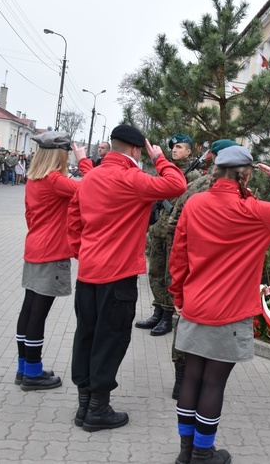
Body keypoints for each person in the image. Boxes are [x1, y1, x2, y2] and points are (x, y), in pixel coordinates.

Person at [169, 145, 270, 464]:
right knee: (213, 383)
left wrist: (178, 297)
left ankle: (184, 453)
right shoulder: (256, 212)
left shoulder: (195, 204)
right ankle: (203, 453)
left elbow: (178, 255)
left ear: (217, 171)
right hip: (230, 315)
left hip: (194, 306)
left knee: (192, 377)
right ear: (245, 176)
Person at [67, 124, 187, 432]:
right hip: (117, 276)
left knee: (87, 335)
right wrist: (160, 157)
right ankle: (98, 410)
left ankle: (84, 405)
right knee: (111, 338)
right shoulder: (133, 178)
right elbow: (176, 184)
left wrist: (83, 252)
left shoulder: (91, 177)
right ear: (135, 150)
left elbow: (73, 218)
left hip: (88, 273)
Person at [16, 132, 92, 391]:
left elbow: (29, 214)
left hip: (35, 246)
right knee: (39, 313)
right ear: (60, 155)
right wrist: (84, 162)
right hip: (52, 252)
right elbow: (93, 187)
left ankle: (23, 367)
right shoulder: (55, 180)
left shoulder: (34, 179)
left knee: (28, 308)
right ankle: (33, 373)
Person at [165, 139, 238, 401]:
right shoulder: (241, 194)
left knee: (185, 323)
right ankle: (202, 381)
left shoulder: (195, 187)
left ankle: (181, 379)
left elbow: (173, 226)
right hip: (223, 278)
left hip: (188, 268)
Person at [138, 133, 199, 336]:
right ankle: (157, 310)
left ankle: (167, 316)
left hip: (175, 232)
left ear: (189, 151)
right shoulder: (163, 171)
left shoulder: (194, 177)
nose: (174, 150)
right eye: (173, 147)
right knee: (155, 271)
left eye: (180, 147)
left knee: (171, 275)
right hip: (157, 230)